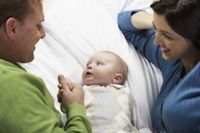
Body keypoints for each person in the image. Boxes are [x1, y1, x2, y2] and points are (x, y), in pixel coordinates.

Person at [0, 0, 91, 133]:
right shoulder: (9, 82)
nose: (43, 34)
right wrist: (76, 107)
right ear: (12, 28)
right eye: (38, 25)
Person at [118, 0, 200, 132]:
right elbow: (125, 22)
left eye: (167, 36)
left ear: (194, 36)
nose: (156, 41)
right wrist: (158, 24)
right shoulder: (174, 61)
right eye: (156, 30)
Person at [58, 51, 139, 133]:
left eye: (99, 64)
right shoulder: (81, 91)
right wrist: (64, 94)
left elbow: (133, 119)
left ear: (116, 78)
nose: (89, 66)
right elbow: (70, 107)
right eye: (87, 65)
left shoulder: (125, 92)